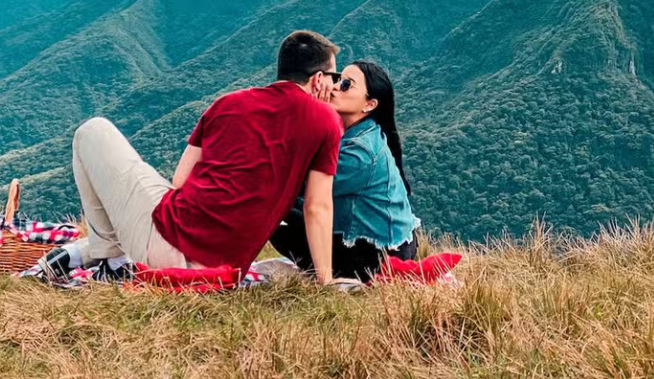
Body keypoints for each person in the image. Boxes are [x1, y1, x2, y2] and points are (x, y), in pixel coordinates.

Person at [37, 30, 344, 284]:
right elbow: (317, 206)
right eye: (335, 77)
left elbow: (181, 181)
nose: (334, 86)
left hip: (168, 244)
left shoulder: (228, 103)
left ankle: (111, 260)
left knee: (92, 131)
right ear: (318, 79)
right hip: (224, 269)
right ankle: (107, 259)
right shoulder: (326, 121)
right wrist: (325, 280)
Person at [269, 60, 419, 281]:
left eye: (347, 84)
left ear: (369, 104)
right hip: (392, 244)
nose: (336, 87)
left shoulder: (360, 152)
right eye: (339, 79)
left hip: (375, 257)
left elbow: (297, 184)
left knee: (270, 209)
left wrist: (312, 112)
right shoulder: (361, 132)